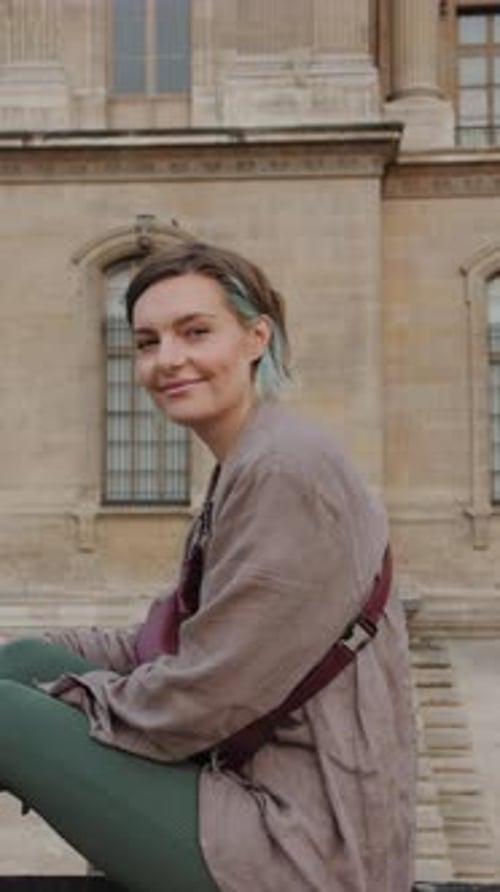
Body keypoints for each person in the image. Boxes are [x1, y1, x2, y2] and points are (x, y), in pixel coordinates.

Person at [0, 239, 416, 892]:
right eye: (146, 342)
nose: (169, 359)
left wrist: (61, 709)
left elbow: (209, 691)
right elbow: (157, 643)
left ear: (256, 337)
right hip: (257, 792)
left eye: (196, 332)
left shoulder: (284, 470)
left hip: (301, 843)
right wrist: (34, 665)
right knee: (18, 665)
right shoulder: (250, 462)